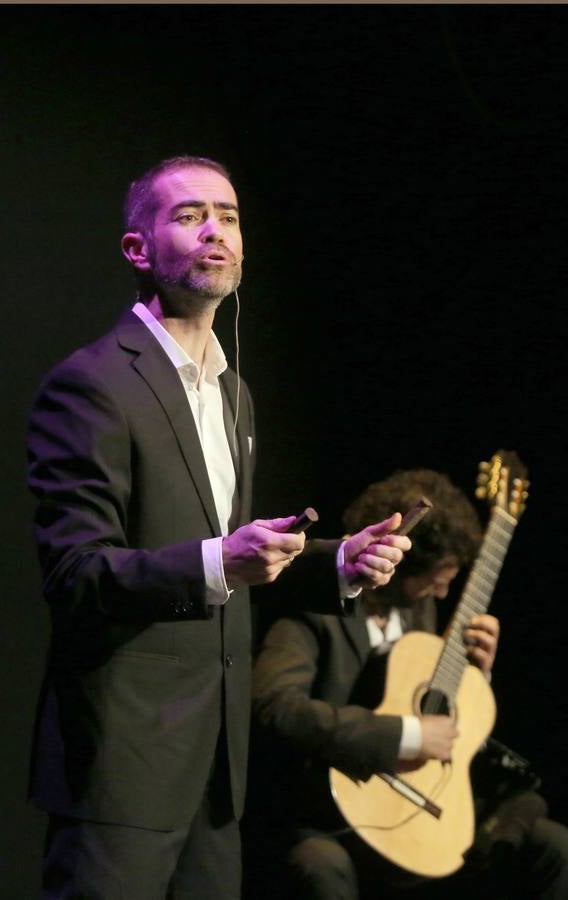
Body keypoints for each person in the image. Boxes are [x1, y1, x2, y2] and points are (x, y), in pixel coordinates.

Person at [25, 155, 412, 900]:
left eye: (229, 218)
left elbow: (236, 552)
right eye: (190, 215)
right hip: (124, 769)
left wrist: (336, 563)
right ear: (138, 249)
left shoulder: (234, 394)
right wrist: (219, 562)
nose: (217, 232)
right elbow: (75, 572)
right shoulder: (92, 385)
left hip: (216, 771)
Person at [249, 468, 568, 900]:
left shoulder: (417, 612)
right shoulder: (312, 608)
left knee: (551, 844)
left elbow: (418, 695)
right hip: (324, 808)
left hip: (410, 802)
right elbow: (276, 707)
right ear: (400, 565)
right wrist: (409, 735)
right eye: (437, 580)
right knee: (321, 869)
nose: (441, 594)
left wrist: (474, 675)